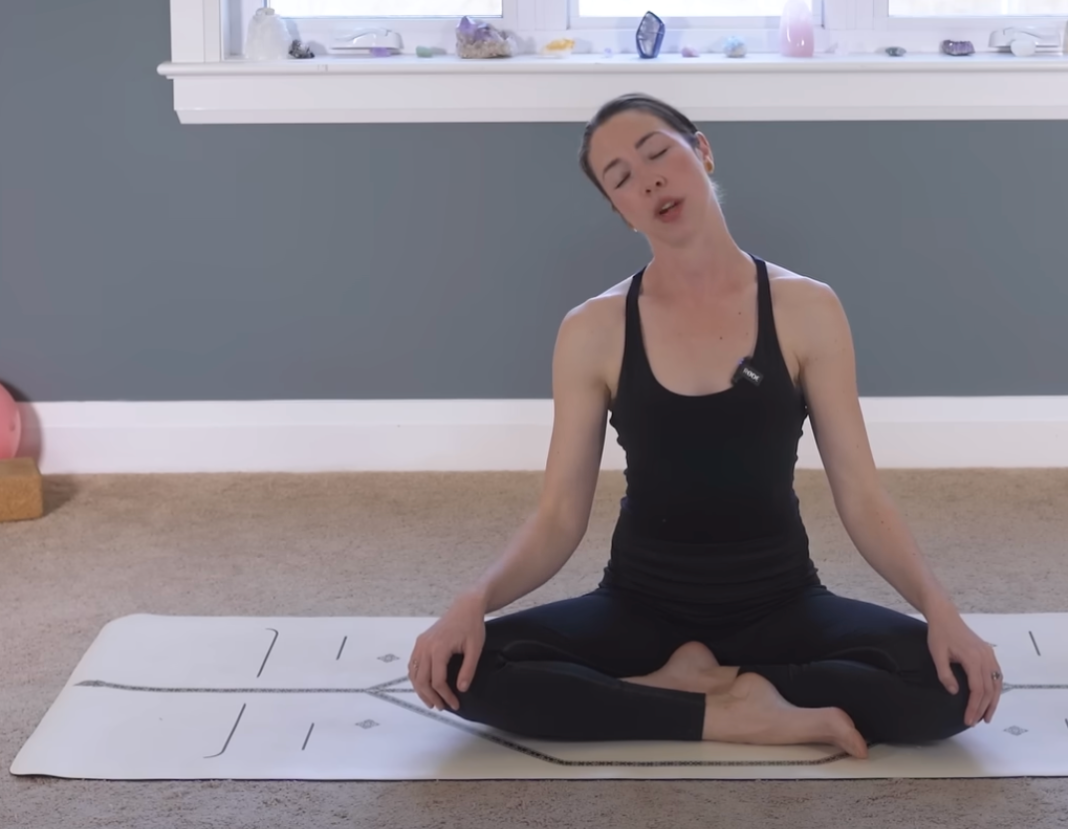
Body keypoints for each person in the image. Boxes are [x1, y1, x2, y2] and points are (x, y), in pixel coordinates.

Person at [406, 93, 1003, 756]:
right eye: (622, 177)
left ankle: (691, 690)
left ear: (703, 150)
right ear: (619, 211)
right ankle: (737, 713)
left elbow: (861, 496)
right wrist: (473, 600)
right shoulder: (593, 330)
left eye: (659, 153)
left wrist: (941, 611)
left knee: (951, 686)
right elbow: (557, 517)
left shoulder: (807, 309)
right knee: (465, 671)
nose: (650, 178)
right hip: (640, 607)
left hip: (781, 604)